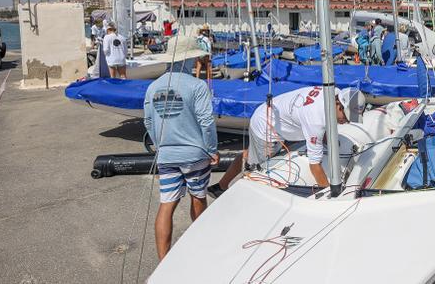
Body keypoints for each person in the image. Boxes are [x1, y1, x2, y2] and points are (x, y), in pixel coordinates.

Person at [209, 86, 366, 196]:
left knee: (249, 155)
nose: (347, 122)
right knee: (258, 170)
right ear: (338, 105)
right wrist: (330, 193)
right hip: (267, 128)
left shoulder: (333, 91)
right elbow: (315, 166)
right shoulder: (316, 121)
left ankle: (221, 185)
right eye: (346, 116)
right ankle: (239, 198)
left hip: (271, 114)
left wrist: (325, 137)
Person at [143, 71, 218, 259]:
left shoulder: (153, 86)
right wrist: (212, 149)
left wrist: (161, 147)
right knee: (198, 197)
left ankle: (163, 263)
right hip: (194, 154)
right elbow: (206, 121)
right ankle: (202, 251)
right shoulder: (197, 85)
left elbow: (148, 121)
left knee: (166, 205)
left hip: (166, 155)